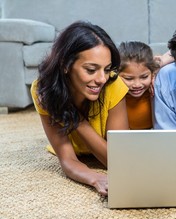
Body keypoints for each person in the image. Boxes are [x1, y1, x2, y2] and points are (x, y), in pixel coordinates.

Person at [30, 21, 129, 196]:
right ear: (65, 65)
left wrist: (76, 120)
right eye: (91, 70)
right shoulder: (44, 91)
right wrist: (95, 178)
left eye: (106, 69)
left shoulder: (113, 84)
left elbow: (119, 161)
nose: (101, 79)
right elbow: (67, 159)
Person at [118, 41, 160, 129]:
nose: (137, 85)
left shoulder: (156, 89)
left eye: (144, 77)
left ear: (152, 74)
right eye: (129, 78)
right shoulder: (114, 95)